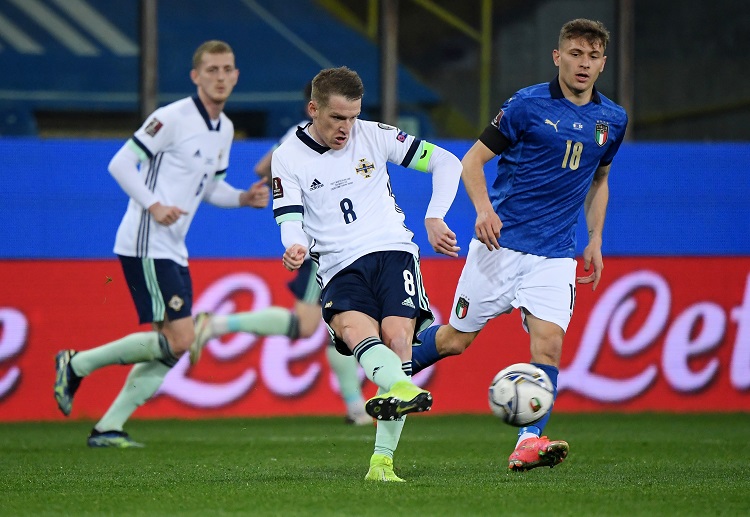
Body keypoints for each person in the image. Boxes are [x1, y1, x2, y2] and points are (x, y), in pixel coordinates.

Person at [410, 18, 628, 471]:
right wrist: (484, 210)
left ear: (603, 63)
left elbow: (600, 179)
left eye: (592, 56)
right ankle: (392, 368)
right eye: (575, 53)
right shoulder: (527, 105)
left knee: (548, 346)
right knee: (454, 341)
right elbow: (472, 161)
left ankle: (529, 440)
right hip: (500, 247)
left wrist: (596, 239)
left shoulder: (612, 119)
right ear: (558, 56)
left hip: (554, 255)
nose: (583, 64)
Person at [53, 40, 270, 447]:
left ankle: (108, 428)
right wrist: (153, 205)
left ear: (236, 75)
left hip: (173, 244)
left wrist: (242, 198)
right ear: (196, 76)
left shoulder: (223, 129)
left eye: (227, 69)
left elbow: (212, 187)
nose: (220, 77)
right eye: (212, 70)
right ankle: (77, 364)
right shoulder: (171, 117)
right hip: (145, 239)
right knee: (182, 339)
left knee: (167, 348)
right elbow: (119, 162)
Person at [272, 66, 462, 481]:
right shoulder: (287, 156)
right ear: (313, 108)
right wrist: (293, 243)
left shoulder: (375, 134)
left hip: (393, 252)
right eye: (337, 117)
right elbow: (288, 216)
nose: (346, 127)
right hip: (338, 266)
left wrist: (435, 216)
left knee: (398, 341)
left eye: (352, 116)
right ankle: (404, 389)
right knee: (359, 336)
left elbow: (448, 162)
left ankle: (381, 463)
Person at [189, 82, 372, 426]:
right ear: (316, 108)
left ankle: (355, 408)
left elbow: (261, 168)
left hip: (342, 242)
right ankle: (215, 325)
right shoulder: (306, 136)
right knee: (314, 324)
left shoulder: (310, 134)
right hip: (323, 244)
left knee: (343, 324)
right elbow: (266, 169)